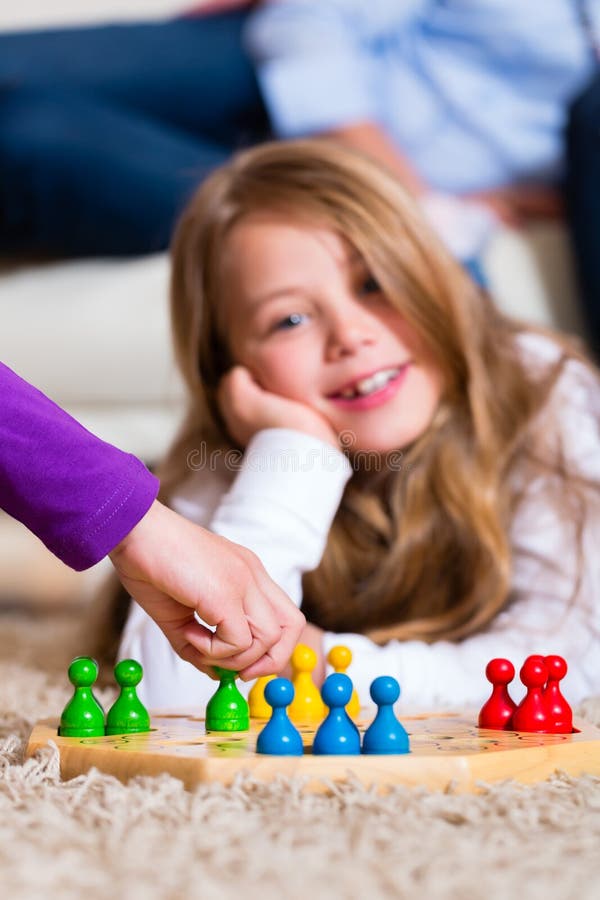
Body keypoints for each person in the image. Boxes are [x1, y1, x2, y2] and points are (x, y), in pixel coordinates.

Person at [113, 139, 600, 709]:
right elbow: (166, 694)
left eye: (374, 283)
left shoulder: (538, 387)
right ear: (233, 370)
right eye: (289, 319)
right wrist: (293, 451)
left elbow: (572, 659)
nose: (351, 335)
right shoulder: (238, 447)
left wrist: (315, 663)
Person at [0, 0, 593, 269]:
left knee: (30, 138)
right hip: (258, 69)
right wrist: (403, 189)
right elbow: (311, 19)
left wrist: (501, 205)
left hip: (345, 197)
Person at [0, 360, 305, 679]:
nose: (353, 337)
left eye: (365, 306)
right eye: (291, 320)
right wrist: (297, 444)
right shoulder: (207, 486)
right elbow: (180, 695)